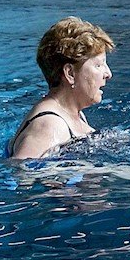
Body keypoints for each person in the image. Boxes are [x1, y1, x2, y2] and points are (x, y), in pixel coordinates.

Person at [8, 17, 116, 160]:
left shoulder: (73, 113)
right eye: (98, 65)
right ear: (70, 73)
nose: (108, 74)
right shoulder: (50, 126)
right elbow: (19, 173)